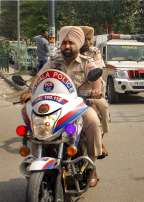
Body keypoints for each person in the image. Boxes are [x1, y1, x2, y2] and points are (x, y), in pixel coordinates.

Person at [20, 26, 103, 187]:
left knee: (92, 122)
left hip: (79, 105)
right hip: (55, 107)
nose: (66, 46)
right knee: (30, 115)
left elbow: (96, 80)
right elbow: (39, 78)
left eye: (71, 43)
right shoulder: (53, 61)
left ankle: (92, 167)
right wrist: (30, 91)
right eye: (64, 42)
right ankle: (34, 156)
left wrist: (96, 90)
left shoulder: (87, 62)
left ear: (78, 44)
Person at [79, 26, 110, 158]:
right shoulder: (62, 54)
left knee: (101, 108)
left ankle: (100, 141)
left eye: (90, 39)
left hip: (91, 90)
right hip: (69, 93)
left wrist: (95, 91)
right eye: (85, 39)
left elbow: (98, 71)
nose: (89, 42)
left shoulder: (94, 52)